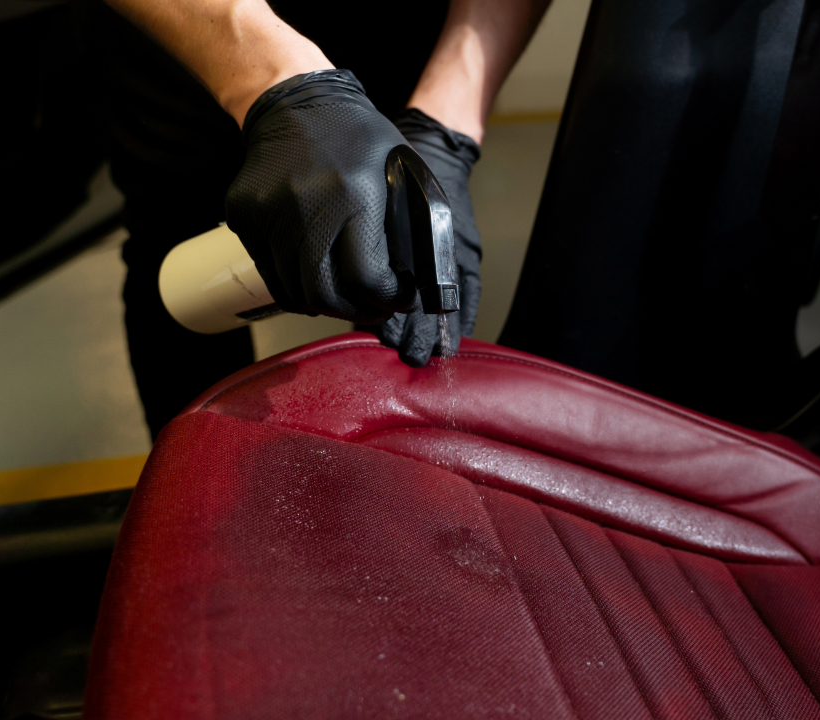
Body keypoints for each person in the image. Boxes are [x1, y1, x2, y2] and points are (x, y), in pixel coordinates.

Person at [84, 0, 551, 437]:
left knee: (387, 250)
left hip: (397, 22)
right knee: (177, 244)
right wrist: (278, 83)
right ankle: (196, 493)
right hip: (188, 23)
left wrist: (444, 127)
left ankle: (379, 472)